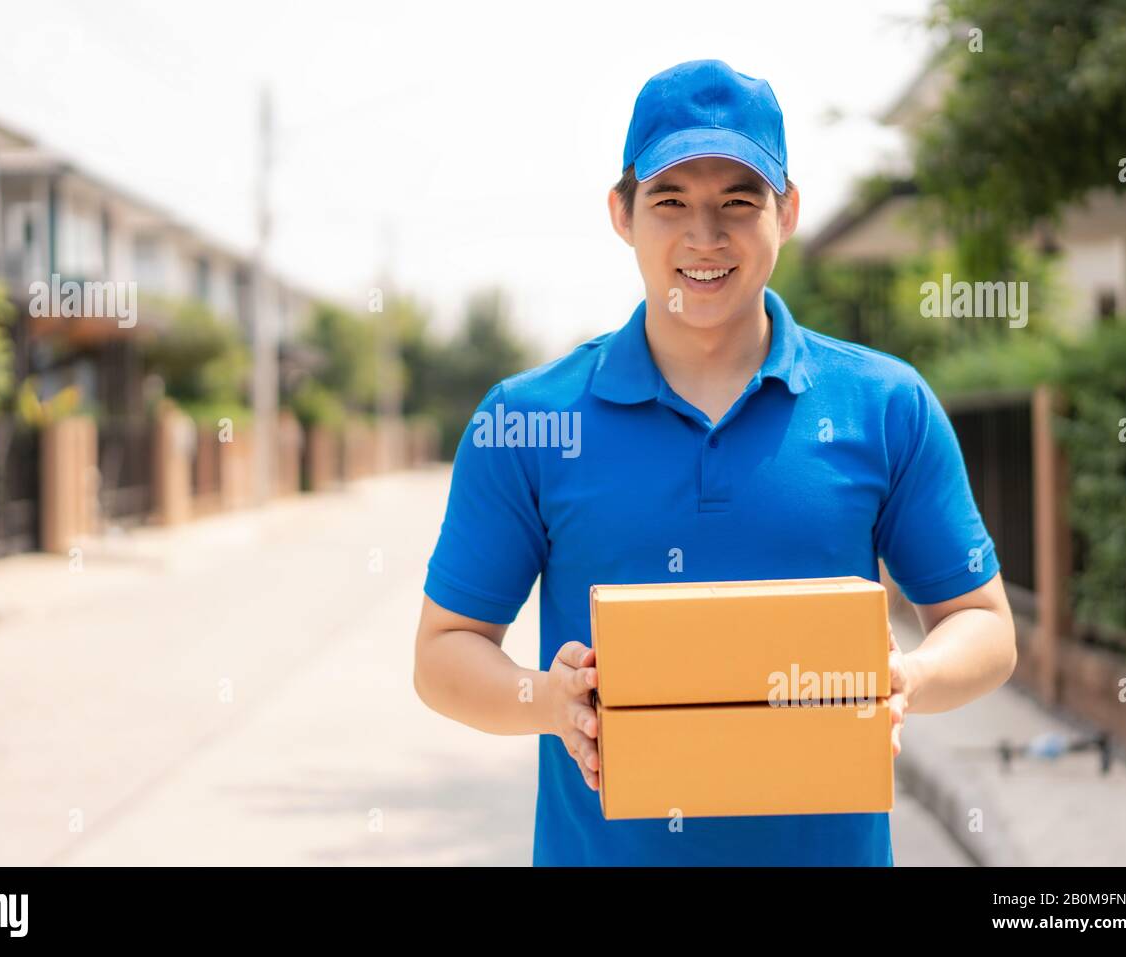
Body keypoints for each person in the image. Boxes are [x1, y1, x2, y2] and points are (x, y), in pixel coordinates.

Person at [412, 59, 1017, 866]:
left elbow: (983, 623)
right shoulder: (527, 421)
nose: (705, 236)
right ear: (621, 214)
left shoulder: (886, 404)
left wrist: (906, 677)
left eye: (738, 201)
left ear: (788, 211)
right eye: (670, 202)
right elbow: (443, 652)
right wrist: (549, 701)